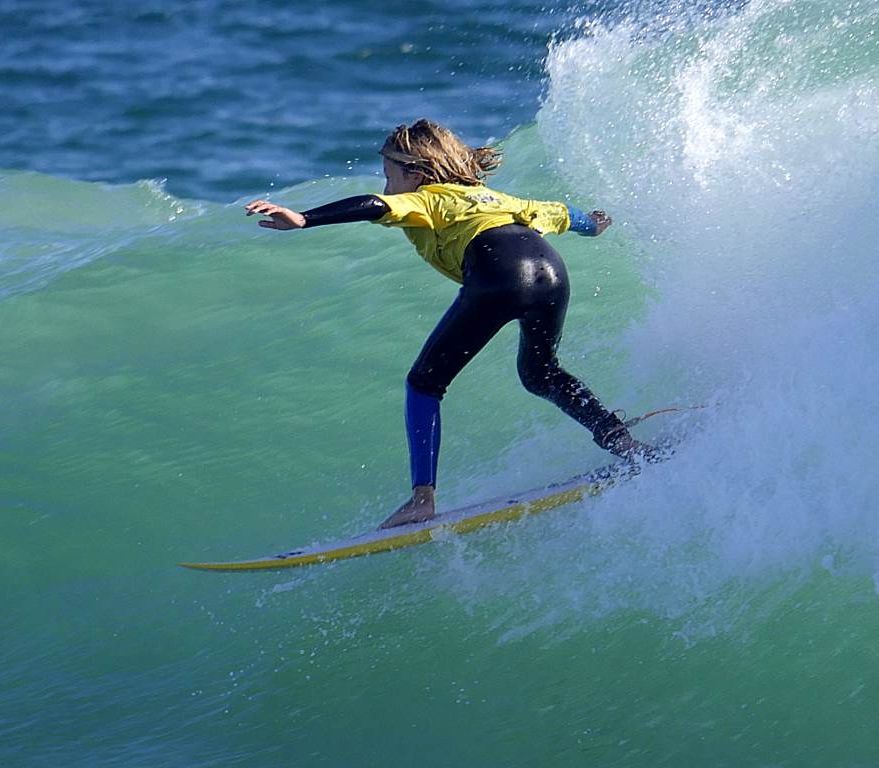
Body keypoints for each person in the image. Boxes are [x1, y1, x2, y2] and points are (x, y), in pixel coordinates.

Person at [245, 118, 654, 529]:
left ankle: (422, 499)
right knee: (541, 373)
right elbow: (564, 214)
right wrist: (595, 224)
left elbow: (376, 206)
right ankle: (622, 440)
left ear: (415, 174)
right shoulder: (495, 198)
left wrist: (305, 219)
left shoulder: (428, 199)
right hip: (551, 271)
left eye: (389, 176)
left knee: (424, 383)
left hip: (498, 272)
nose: (387, 186)